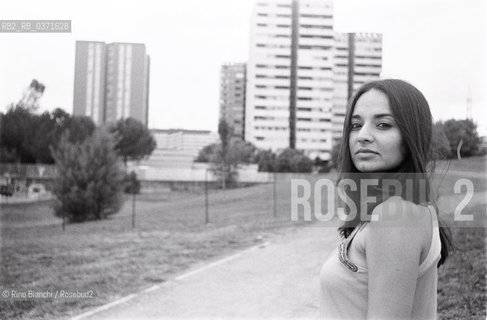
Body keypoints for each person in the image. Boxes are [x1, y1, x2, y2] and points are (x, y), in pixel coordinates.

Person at [320, 79, 453, 319]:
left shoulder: (396, 215)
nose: (363, 136)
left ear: (411, 135)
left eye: (383, 124)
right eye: (355, 124)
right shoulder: (400, 208)